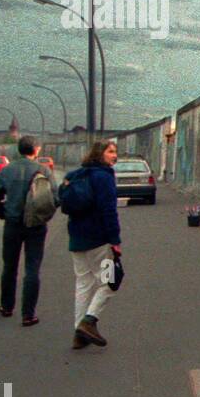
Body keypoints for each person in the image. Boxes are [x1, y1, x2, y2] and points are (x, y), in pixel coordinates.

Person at [0, 135, 54, 326]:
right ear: (36, 149)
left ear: (19, 150)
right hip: (36, 226)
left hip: (12, 224)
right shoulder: (44, 170)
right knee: (32, 268)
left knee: (9, 267)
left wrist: (4, 214)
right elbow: (55, 198)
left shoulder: (7, 170)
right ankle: (28, 314)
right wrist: (43, 216)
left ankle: (7, 307)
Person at [63, 139, 122, 349]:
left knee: (83, 284)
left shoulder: (75, 175)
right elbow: (109, 211)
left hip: (77, 239)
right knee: (110, 282)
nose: (114, 156)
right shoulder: (104, 177)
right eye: (111, 152)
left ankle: (78, 334)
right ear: (100, 154)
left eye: (115, 152)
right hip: (99, 240)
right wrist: (115, 240)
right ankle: (89, 321)